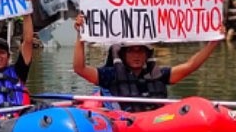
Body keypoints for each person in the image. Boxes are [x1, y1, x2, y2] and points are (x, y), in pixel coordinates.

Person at [72, 13, 221, 112]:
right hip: (126, 122)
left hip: (157, 121)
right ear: (123, 54)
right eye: (131, 51)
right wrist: (80, 36)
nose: (136, 55)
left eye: (140, 51)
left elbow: (190, 66)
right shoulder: (110, 75)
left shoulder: (159, 74)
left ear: (147, 54)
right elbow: (80, 68)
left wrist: (212, 43)